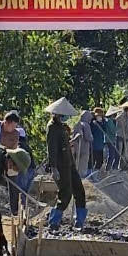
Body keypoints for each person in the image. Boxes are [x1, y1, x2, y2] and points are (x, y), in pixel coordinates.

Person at [45, 97, 87, 230]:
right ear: (57, 114)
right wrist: (54, 168)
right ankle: (53, 221)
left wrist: (71, 142)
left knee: (79, 191)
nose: (65, 118)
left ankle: (79, 221)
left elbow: (63, 144)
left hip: (69, 162)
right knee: (66, 194)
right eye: (63, 116)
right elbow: (51, 148)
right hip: (60, 165)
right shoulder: (52, 127)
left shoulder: (62, 127)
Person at [0, 110, 33, 215]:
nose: (14, 128)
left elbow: (13, 150)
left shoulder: (16, 134)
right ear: (6, 122)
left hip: (9, 160)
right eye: (13, 126)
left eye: (15, 126)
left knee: (13, 185)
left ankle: (14, 210)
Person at [72, 109, 94, 177]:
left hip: (77, 148)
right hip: (84, 149)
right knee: (83, 165)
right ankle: (81, 178)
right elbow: (88, 137)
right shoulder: (86, 125)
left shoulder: (77, 124)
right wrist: (92, 137)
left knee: (77, 164)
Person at [117, 101, 128, 168]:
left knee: (125, 152)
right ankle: (118, 166)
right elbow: (117, 120)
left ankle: (124, 165)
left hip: (127, 136)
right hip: (120, 135)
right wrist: (122, 115)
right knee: (119, 151)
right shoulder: (121, 115)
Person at [91, 108, 106, 172]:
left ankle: (96, 173)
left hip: (101, 145)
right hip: (94, 145)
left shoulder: (102, 122)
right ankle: (92, 174)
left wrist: (103, 122)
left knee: (100, 161)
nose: (99, 116)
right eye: (98, 115)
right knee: (93, 161)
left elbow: (105, 131)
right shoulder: (92, 123)